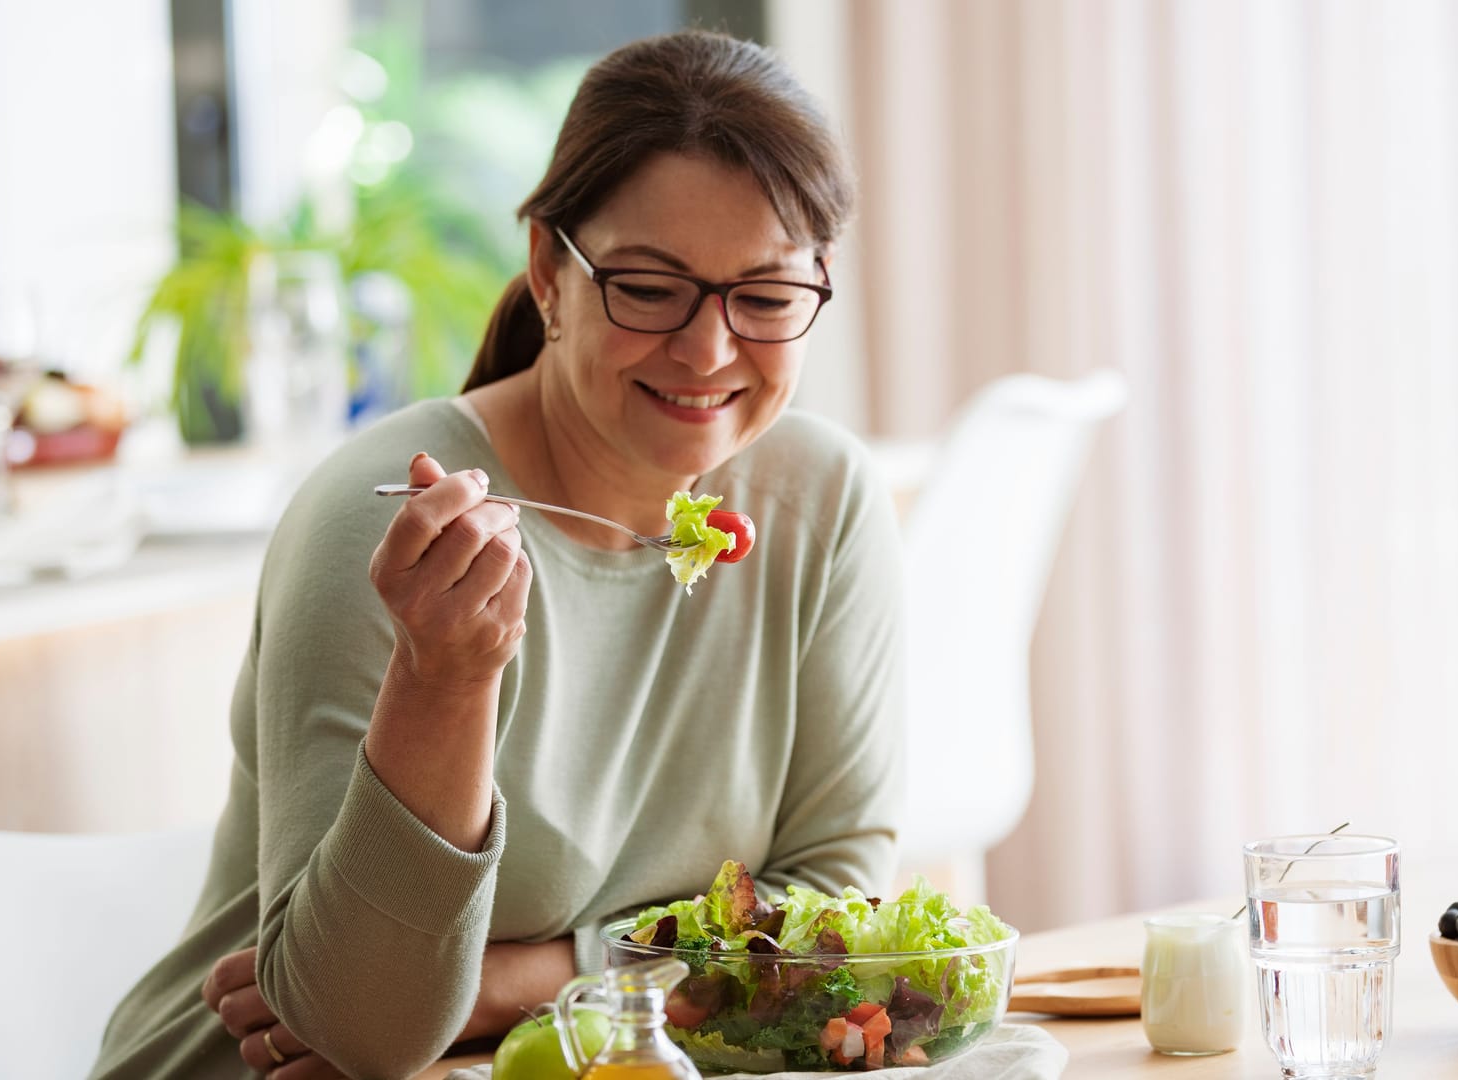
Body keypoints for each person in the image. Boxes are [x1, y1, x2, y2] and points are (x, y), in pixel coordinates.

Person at [92, 30, 903, 1079]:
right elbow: (364, 1032)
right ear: (549, 275)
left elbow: (835, 908)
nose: (708, 352)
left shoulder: (819, 502)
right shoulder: (399, 528)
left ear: (819, 285)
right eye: (649, 289)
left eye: (763, 295)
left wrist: (528, 978)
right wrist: (448, 675)